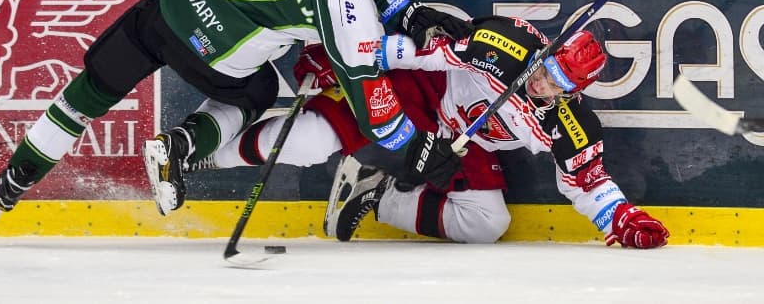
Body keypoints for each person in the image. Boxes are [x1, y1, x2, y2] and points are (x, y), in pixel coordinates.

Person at [0, 0, 472, 220]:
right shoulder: (352, 23)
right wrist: (418, 147)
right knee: (255, 91)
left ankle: (17, 176)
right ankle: (179, 146)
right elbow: (379, 119)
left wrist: (404, 13)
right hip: (214, 44)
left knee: (92, 89)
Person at [206, 18, 669, 248]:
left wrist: (622, 220)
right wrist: (346, 56)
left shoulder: (571, 126)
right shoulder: (505, 45)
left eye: (558, 84)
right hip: (426, 95)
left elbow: (588, 184)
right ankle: (205, 156)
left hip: (460, 144)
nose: (542, 83)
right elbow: (424, 54)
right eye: (546, 69)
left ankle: (375, 195)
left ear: (575, 92)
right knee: (309, 140)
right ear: (544, 52)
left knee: (489, 224)